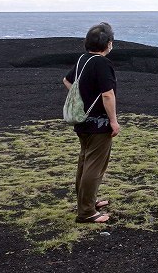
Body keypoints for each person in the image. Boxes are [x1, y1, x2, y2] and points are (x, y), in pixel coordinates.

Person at [62, 22, 120, 224]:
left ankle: (87, 202)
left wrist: (81, 99)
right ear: (108, 43)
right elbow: (107, 94)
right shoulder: (102, 63)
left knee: (85, 163)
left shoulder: (83, 59)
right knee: (94, 167)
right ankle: (86, 212)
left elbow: (67, 80)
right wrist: (113, 121)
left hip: (82, 121)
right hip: (98, 124)